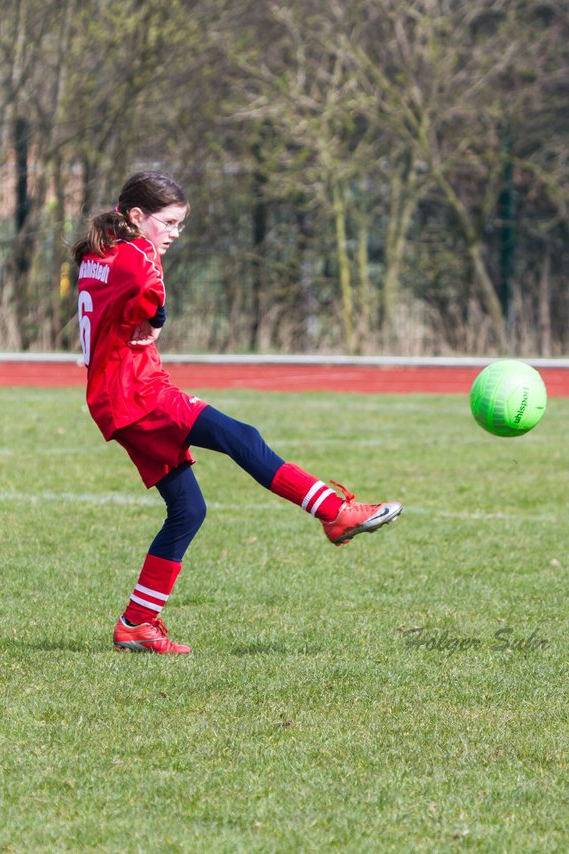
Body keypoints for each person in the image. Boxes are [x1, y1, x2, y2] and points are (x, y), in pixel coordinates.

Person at [73, 171, 402, 655]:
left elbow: (119, 303)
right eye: (168, 222)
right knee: (241, 437)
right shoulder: (140, 253)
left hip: (113, 398)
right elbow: (151, 296)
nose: (174, 234)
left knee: (189, 510)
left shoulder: (94, 252)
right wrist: (156, 319)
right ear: (136, 217)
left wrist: (141, 318)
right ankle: (336, 513)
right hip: (138, 394)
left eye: (180, 225)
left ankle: (136, 624)